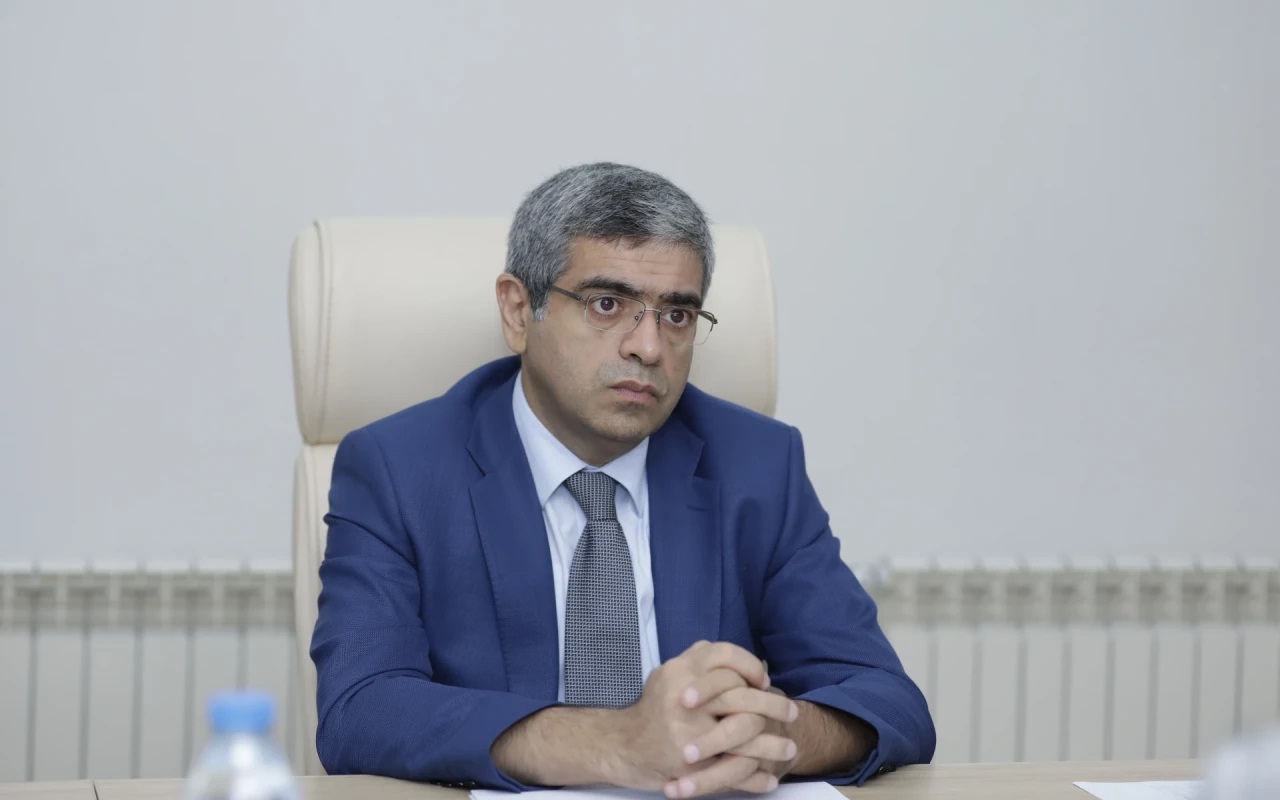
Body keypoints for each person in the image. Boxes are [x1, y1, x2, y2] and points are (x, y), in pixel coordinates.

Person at [311, 163, 935, 796]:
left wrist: (772, 732)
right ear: (519, 310)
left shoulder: (757, 465)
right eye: (607, 305)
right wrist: (615, 744)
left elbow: (887, 699)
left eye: (677, 315)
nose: (648, 347)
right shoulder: (398, 469)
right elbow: (360, 710)